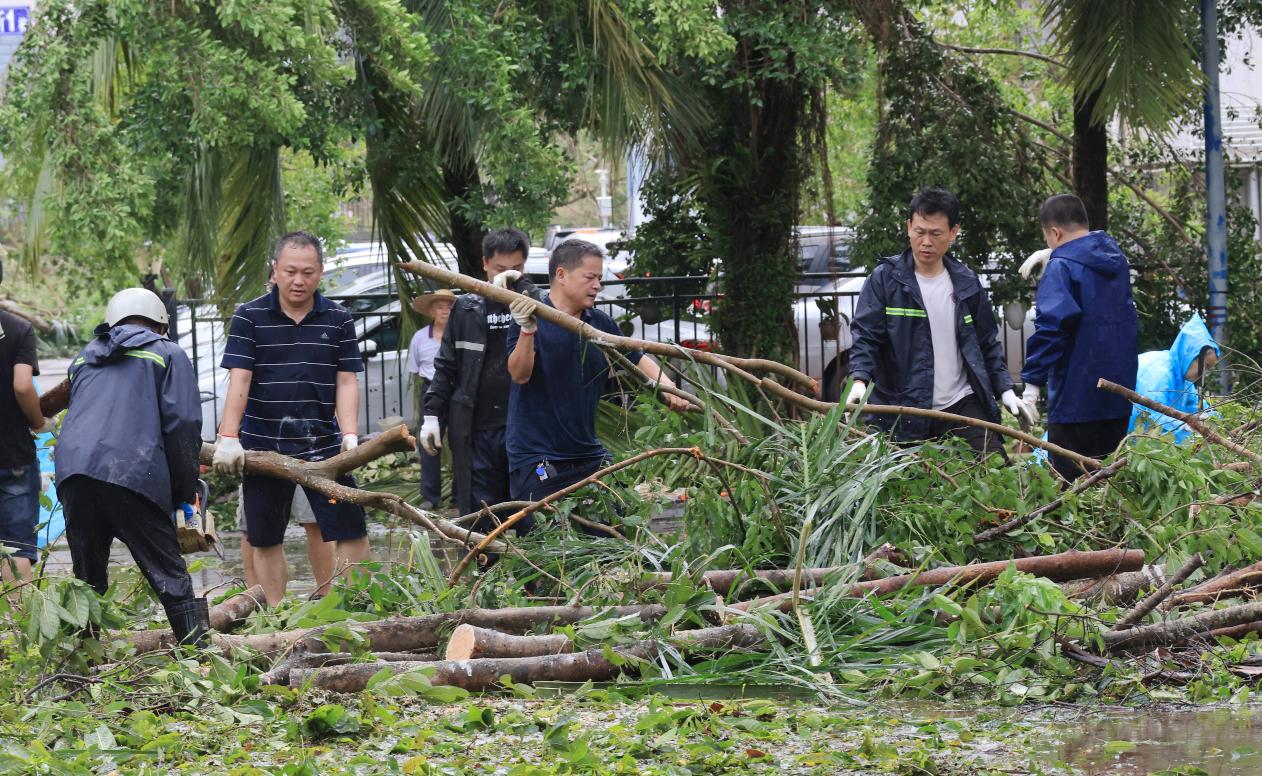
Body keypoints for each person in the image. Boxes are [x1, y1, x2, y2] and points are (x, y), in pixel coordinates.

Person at [212, 231, 371, 605]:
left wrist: (349, 435)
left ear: (320, 273)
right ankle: (277, 618)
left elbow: (346, 380)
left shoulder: (338, 318)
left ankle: (361, 611)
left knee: (351, 529)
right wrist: (228, 437)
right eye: (290, 271)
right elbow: (241, 378)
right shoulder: (249, 317)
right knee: (265, 537)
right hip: (263, 447)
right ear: (275, 271)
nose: (299, 280)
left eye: (308, 272)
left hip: (325, 447)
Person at [54, 288, 207, 644]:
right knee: (170, 576)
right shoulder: (167, 352)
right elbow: (183, 426)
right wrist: (186, 494)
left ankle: (81, 668)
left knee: (87, 580)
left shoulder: (81, 360)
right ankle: (202, 662)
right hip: (130, 472)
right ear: (160, 325)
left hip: (73, 473)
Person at [505, 239, 688, 530]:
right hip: (537, 454)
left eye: (599, 278)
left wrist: (668, 388)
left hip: (587, 454)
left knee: (611, 534)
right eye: (590, 277)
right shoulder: (530, 315)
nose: (597, 285)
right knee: (547, 544)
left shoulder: (598, 323)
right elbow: (519, 374)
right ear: (562, 275)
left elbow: (637, 358)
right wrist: (528, 331)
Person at [847, 187, 1033, 457]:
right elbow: (865, 337)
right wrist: (859, 382)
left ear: (953, 233)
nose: (926, 242)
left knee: (994, 468)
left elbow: (986, 344)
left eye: (935, 234)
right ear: (909, 226)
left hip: (961, 402)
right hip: (903, 406)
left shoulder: (966, 282)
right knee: (903, 492)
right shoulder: (885, 280)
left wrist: (1005, 390)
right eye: (920, 231)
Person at [420, 228, 547, 524]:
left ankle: (537, 568)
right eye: (500, 269)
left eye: (516, 269)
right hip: (477, 432)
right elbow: (447, 366)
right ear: (485, 265)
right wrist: (431, 416)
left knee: (536, 508)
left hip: (529, 430)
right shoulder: (466, 307)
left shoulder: (538, 303)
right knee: (481, 516)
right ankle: (485, 570)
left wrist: (523, 290)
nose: (508, 275)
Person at [1019, 194, 1139, 480]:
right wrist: (1052, 254)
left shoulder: (1062, 268)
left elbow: (1051, 328)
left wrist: (1032, 387)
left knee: (1071, 495)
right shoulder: (1117, 260)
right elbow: (1086, 258)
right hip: (1117, 398)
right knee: (1109, 487)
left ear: (1055, 232)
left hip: (1076, 400)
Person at [1, 258, 53, 584]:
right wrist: (38, 422)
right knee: (16, 545)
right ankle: (17, 629)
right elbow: (22, 385)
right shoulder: (18, 329)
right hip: (13, 455)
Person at [1129, 314, 1221, 443]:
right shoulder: (1159, 373)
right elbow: (1150, 418)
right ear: (1190, 354)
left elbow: (1197, 408)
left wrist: (1216, 420)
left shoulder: (1183, 380)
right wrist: (1190, 431)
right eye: (1205, 366)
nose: (1204, 374)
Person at [236, 486, 335, 598]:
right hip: (259, 473)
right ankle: (256, 598)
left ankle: (324, 594)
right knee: (254, 526)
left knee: (314, 520)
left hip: (308, 470)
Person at [407, 289, 455, 509]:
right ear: (431, 311)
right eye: (440, 307)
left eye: (449, 307)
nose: (445, 311)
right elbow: (416, 369)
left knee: (460, 443)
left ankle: (460, 495)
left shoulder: (459, 335)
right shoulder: (419, 338)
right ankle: (430, 497)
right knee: (428, 444)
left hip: (456, 390)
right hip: (430, 390)